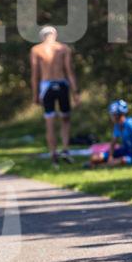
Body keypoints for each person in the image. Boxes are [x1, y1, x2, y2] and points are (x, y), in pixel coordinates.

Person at [30, 25, 79, 166]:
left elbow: (35, 75)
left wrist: (35, 94)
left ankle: (53, 154)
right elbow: (69, 71)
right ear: (55, 35)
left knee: (49, 121)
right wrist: (75, 92)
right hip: (62, 84)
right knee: (65, 119)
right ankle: (65, 149)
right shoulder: (63, 48)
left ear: (42, 36)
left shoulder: (36, 50)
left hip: (46, 86)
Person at [88, 100, 132, 168]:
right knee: (95, 157)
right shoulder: (117, 126)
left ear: (118, 114)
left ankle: (100, 166)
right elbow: (113, 143)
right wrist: (110, 156)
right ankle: (99, 163)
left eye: (112, 114)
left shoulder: (130, 123)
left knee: (122, 160)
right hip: (125, 150)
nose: (111, 117)